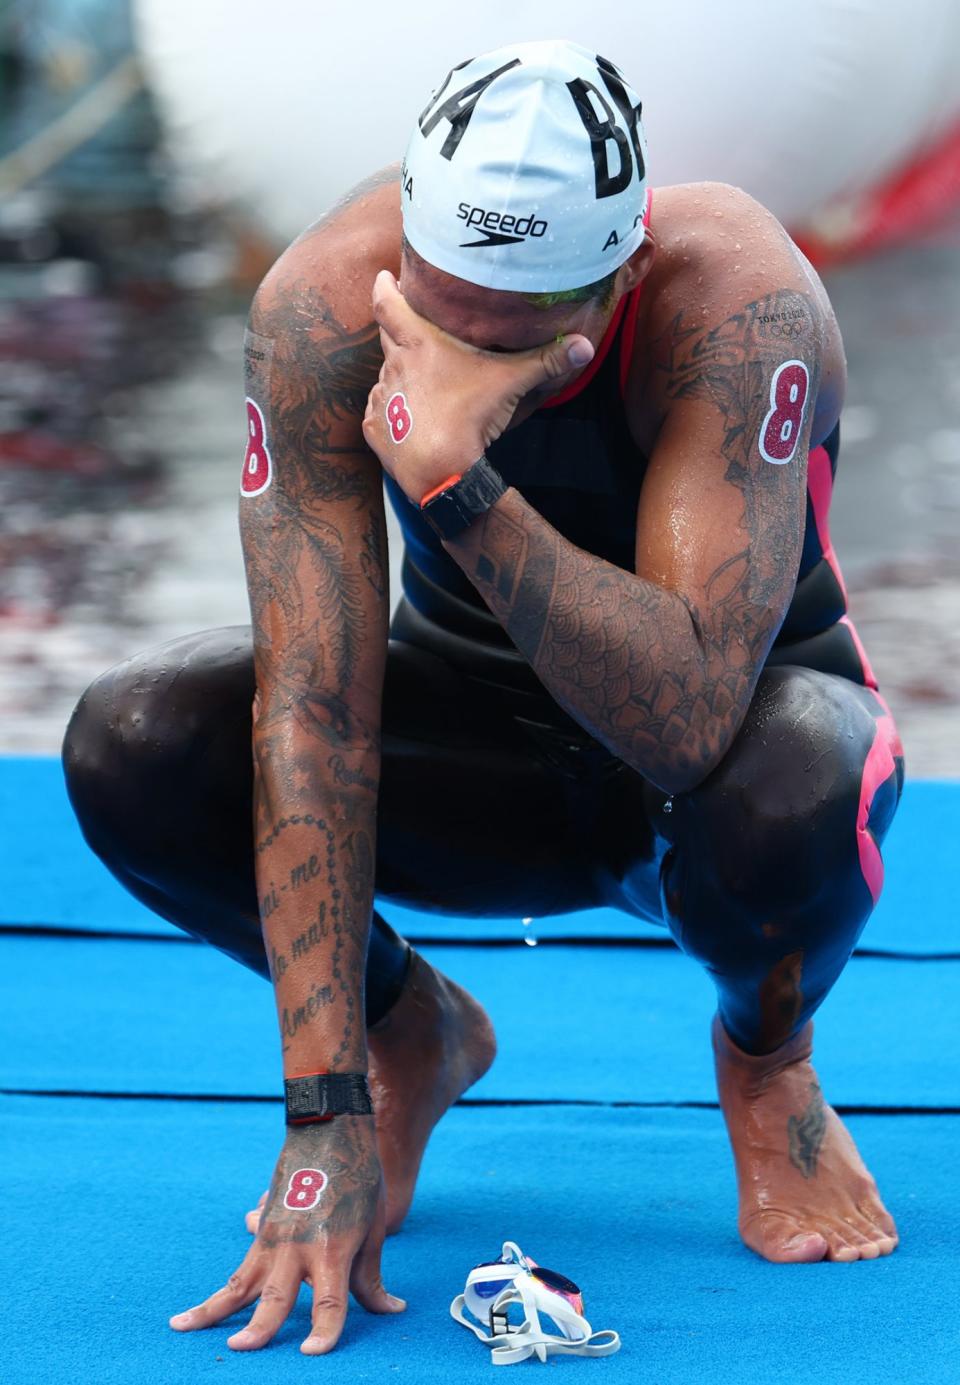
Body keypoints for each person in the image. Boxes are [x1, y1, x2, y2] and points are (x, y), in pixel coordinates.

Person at [62, 39, 904, 1358]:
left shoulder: (734, 299)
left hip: (715, 764)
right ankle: (417, 1027)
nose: (473, 363)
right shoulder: (329, 303)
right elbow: (315, 715)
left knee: (803, 780)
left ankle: (767, 1057)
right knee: (136, 738)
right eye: (447, 322)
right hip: (471, 744)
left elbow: (686, 726)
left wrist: (460, 482)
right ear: (409, 246)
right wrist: (320, 1113)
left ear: (621, 273)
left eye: (527, 346)